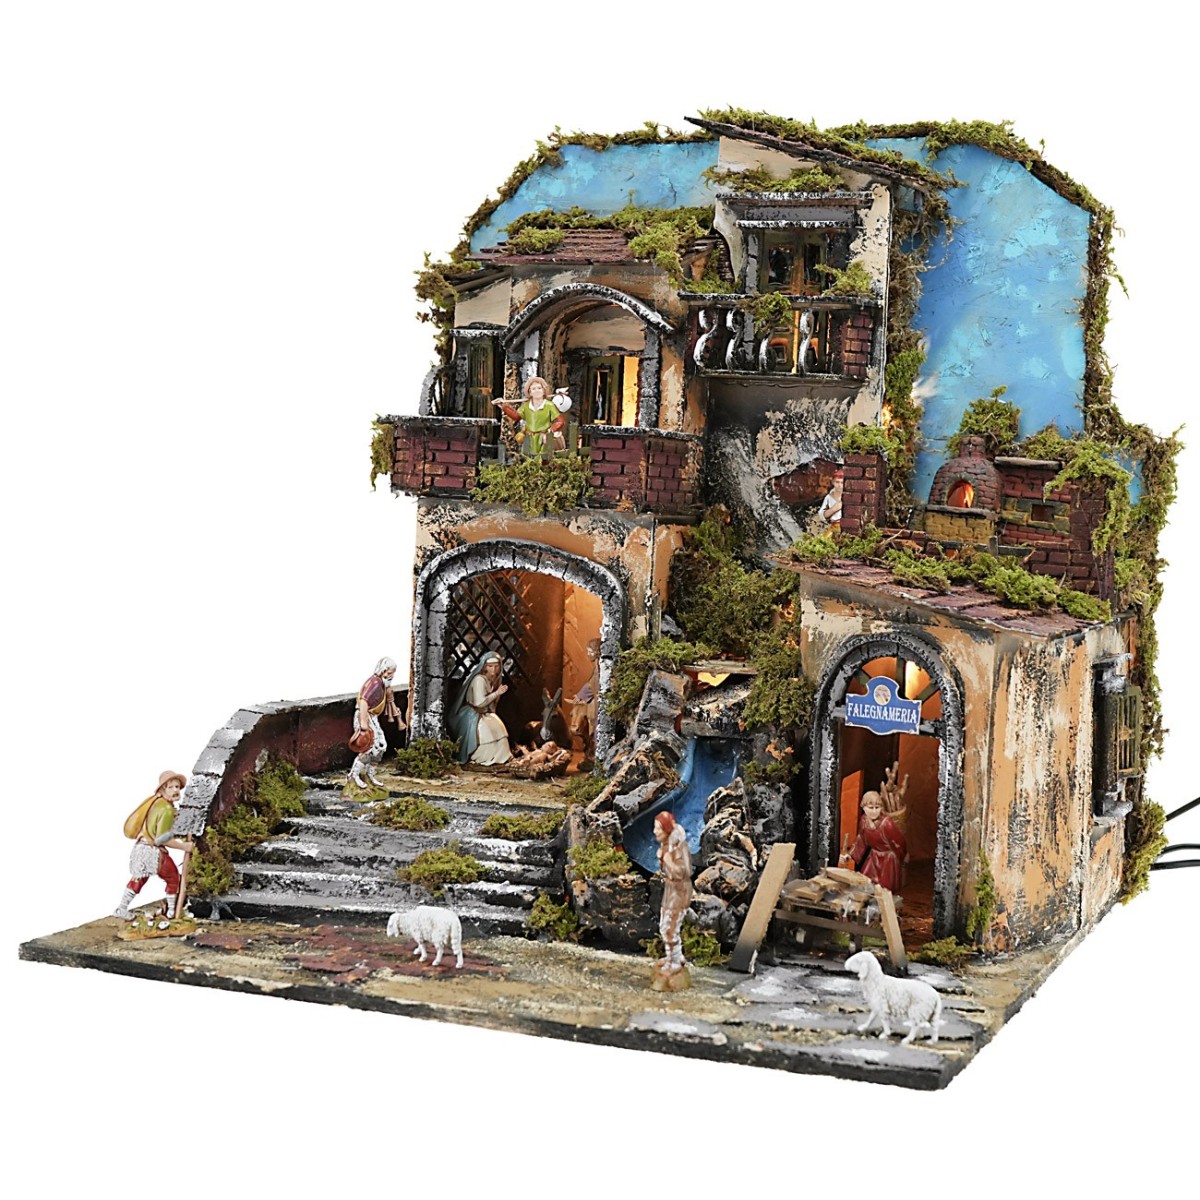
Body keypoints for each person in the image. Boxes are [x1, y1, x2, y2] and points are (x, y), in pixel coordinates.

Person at [115, 771, 193, 920]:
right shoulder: (166, 809)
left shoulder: (158, 804)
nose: (175, 790)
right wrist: (184, 847)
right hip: (153, 852)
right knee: (173, 878)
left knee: (139, 879)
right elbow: (161, 840)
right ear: (163, 789)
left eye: (177, 787)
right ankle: (171, 912)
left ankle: (122, 908)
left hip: (142, 848)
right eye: (171, 787)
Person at [447, 651, 513, 766]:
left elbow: (490, 704)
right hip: (473, 714)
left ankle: (500, 758)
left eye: (496, 666)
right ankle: (483, 758)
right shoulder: (479, 680)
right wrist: (496, 693)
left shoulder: (490, 680)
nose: (493, 670)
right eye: (490, 666)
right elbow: (479, 702)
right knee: (486, 733)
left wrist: (496, 696)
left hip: (484, 714)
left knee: (499, 728)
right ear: (484, 666)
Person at [350, 656, 404, 791]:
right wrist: (364, 724)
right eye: (390, 673)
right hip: (365, 716)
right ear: (383, 671)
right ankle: (354, 775)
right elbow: (364, 702)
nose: (391, 676)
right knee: (368, 748)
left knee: (380, 746)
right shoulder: (374, 683)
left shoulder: (381, 684)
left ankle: (370, 774)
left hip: (373, 717)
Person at [653, 811, 693, 980]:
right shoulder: (667, 846)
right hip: (671, 891)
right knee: (665, 926)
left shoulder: (678, 848)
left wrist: (667, 860)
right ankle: (673, 956)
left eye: (658, 828)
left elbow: (684, 872)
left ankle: (675, 961)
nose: (655, 832)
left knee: (670, 928)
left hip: (679, 892)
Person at [845, 790, 907, 894]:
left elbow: (899, 842)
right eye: (870, 808)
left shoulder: (886, 823)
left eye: (877, 807)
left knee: (884, 890)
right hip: (873, 858)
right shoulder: (864, 821)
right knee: (864, 882)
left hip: (888, 861)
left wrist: (902, 857)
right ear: (863, 807)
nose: (874, 811)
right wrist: (849, 855)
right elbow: (861, 840)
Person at [494, 376, 566, 459]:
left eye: (539, 388)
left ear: (543, 391)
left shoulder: (549, 405)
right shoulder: (527, 406)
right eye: (534, 389)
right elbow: (516, 416)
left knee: (543, 459)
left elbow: (560, 421)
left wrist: (550, 431)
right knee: (527, 458)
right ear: (530, 392)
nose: (537, 391)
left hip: (543, 438)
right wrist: (503, 406)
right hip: (529, 438)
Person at [569, 637, 601, 761]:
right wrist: (580, 696)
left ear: (597, 651)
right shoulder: (597, 667)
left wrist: (581, 696)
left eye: (590, 651)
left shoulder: (601, 667)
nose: (588, 654)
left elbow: (593, 684)